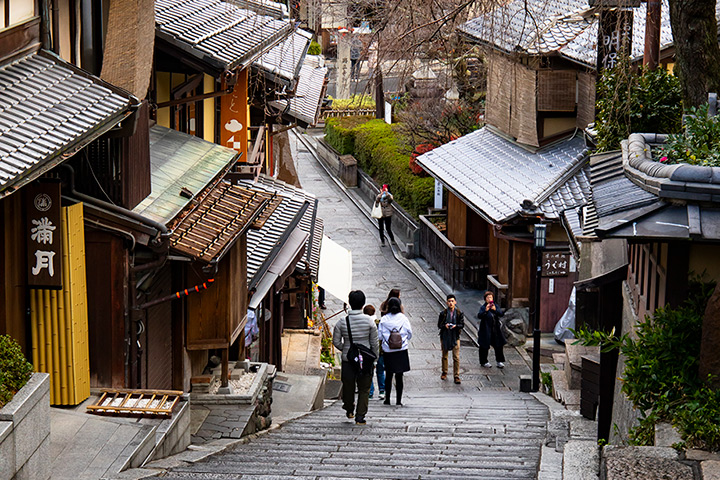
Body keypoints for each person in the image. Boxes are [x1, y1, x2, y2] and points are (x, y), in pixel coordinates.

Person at [332, 290, 379, 425]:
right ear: (363, 304)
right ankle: (360, 417)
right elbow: (374, 343)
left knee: (348, 385)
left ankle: (349, 409)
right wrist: (374, 359)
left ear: (350, 303)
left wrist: (346, 350)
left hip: (348, 360)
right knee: (364, 388)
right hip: (365, 361)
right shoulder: (370, 322)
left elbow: (336, 341)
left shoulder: (342, 322)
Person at [378, 297, 412, 406]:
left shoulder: (384, 320)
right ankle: (398, 400)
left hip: (388, 350)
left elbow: (379, 336)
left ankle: (387, 399)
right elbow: (410, 334)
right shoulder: (404, 319)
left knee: (388, 375)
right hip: (401, 350)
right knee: (399, 376)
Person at [438, 294, 465, 384]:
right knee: (444, 355)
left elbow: (462, 325)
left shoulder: (459, 313)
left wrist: (456, 326)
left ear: (455, 302)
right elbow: (439, 325)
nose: (451, 303)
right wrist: (444, 326)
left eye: (452, 301)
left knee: (456, 357)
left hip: (455, 336)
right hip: (445, 336)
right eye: (449, 301)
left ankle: (456, 375)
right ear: (447, 302)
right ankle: (444, 372)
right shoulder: (443, 313)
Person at [477, 291, 506, 368]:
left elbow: (501, 313)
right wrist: (486, 311)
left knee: (498, 345)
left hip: (495, 330)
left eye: (491, 297)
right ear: (485, 299)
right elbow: (479, 315)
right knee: (484, 346)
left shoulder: (495, 306)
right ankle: (484, 361)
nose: (489, 299)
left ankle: (499, 361)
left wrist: (495, 310)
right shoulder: (483, 307)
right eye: (488, 297)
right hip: (486, 330)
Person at [364, 304, 385, 400]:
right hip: (380, 351)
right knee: (380, 371)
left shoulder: (365, 324)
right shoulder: (379, 323)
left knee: (369, 372)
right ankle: (382, 390)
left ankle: (370, 391)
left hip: (368, 352)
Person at [245, 288, 259, 360]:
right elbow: (254, 330)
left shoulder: (241, 311)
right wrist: (255, 335)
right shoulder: (252, 315)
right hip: (246, 338)